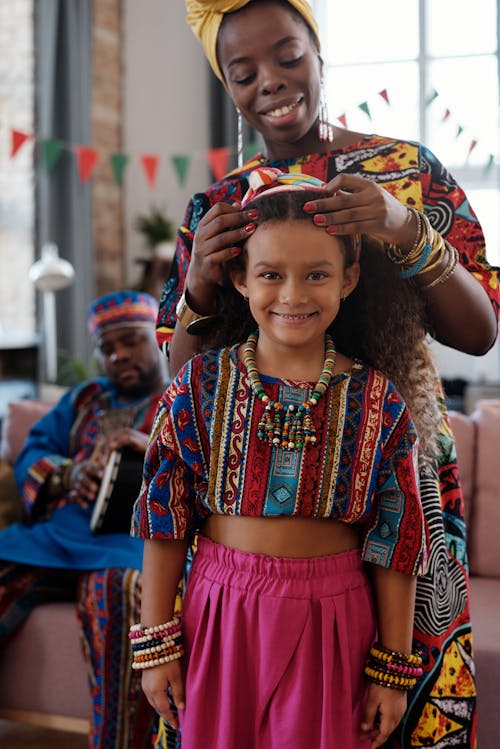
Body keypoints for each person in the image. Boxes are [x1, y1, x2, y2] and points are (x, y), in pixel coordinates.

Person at [154, 2, 500, 746]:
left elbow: (480, 330)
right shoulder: (215, 204)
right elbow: (181, 387)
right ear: (228, 86)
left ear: (318, 53)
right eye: (243, 73)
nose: (271, 82)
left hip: (401, 487)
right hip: (252, 523)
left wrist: (405, 228)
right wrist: (199, 291)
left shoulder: (407, 173)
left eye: (287, 55)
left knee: (399, 708)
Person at [132, 171, 440, 748]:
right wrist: (157, 644)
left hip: (335, 620)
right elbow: (165, 517)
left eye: (317, 275)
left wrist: (393, 668)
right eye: (271, 274)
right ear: (239, 279)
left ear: (349, 278)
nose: (293, 295)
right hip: (220, 614)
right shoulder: (199, 385)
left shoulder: (378, 401)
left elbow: (396, 541)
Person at [0, 290, 168, 749]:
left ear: (157, 338)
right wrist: (67, 474)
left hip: (134, 546)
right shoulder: (84, 400)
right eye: (108, 349)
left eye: (131, 341)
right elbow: (33, 449)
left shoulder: (182, 400)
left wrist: (150, 448)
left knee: (119, 592)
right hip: (57, 539)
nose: (120, 356)